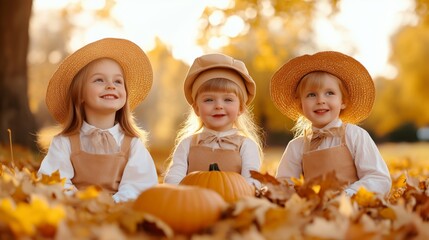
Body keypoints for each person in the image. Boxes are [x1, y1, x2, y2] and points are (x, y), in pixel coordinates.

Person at [38, 38, 158, 202]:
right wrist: (82, 202)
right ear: (79, 95)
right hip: (75, 213)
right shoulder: (64, 142)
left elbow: (139, 186)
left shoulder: (132, 144)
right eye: (99, 80)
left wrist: (110, 204)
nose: (111, 85)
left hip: (118, 217)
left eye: (118, 81)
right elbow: (54, 181)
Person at [270, 51, 391, 196]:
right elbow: (284, 185)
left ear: (343, 101)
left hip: (353, 211)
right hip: (314, 213)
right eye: (311, 95)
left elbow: (379, 178)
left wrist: (348, 194)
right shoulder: (297, 147)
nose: (320, 100)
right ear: (301, 105)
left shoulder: (355, 136)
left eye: (329, 93)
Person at [164, 53, 263, 186]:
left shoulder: (245, 146)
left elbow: (252, 182)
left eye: (228, 99)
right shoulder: (188, 144)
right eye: (209, 100)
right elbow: (173, 178)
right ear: (196, 108)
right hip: (193, 203)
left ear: (240, 108)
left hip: (234, 204)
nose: (218, 106)